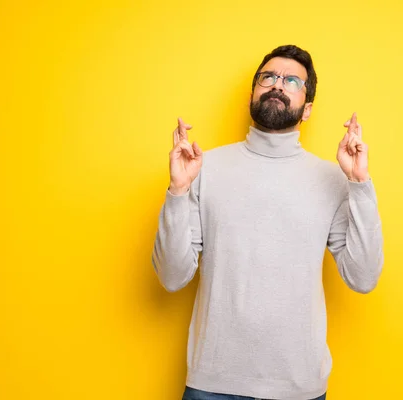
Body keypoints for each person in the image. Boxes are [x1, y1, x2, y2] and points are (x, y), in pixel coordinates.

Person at [152, 44, 384, 400]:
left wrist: (360, 185)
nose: (278, 84)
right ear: (251, 96)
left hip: (299, 387)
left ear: (307, 109)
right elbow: (171, 277)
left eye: (292, 81)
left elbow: (363, 278)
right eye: (268, 77)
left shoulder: (332, 178)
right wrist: (178, 190)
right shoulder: (203, 169)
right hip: (213, 385)